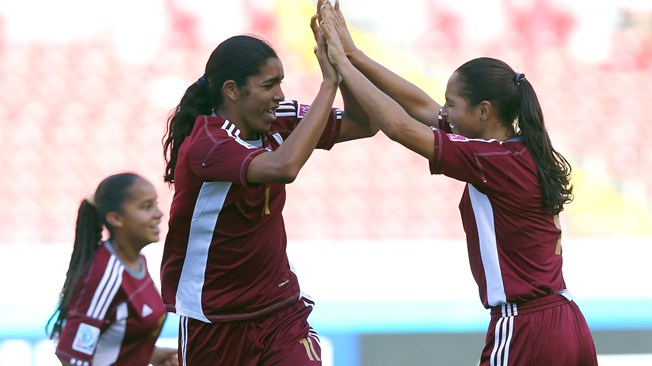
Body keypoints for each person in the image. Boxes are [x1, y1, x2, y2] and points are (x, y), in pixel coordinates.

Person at [317, 1, 598, 365]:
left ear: (483, 111)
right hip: (567, 319)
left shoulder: (488, 160)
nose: (443, 112)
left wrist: (340, 67)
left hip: (525, 325)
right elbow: (420, 107)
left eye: (451, 104)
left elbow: (401, 127)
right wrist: (355, 54)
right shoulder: (515, 149)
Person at [159, 11, 376, 366]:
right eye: (268, 85)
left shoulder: (279, 118)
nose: (279, 95)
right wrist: (327, 84)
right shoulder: (208, 143)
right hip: (216, 318)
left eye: (281, 83)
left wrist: (344, 59)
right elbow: (283, 168)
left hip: (280, 311)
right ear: (232, 90)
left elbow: (362, 122)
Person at [47, 172, 178, 366]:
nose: (158, 214)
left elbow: (116, 337)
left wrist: (152, 355)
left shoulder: (136, 260)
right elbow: (72, 357)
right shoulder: (105, 275)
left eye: (156, 204)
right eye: (146, 207)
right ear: (116, 218)